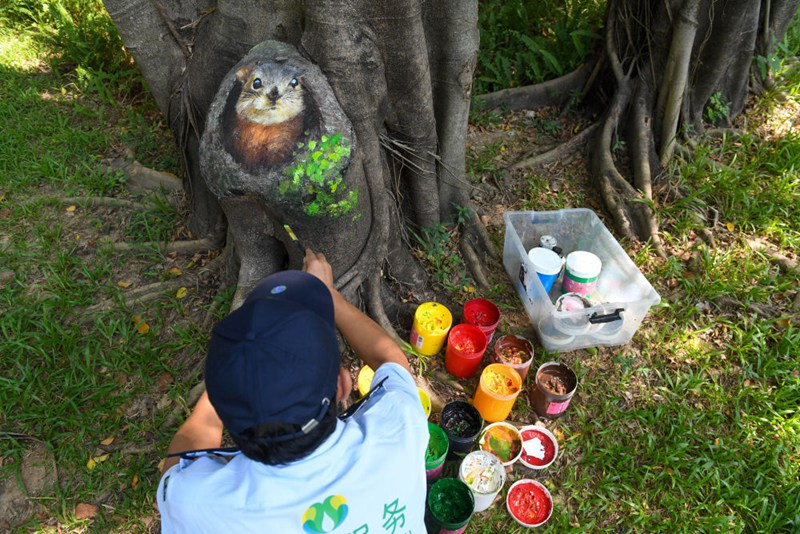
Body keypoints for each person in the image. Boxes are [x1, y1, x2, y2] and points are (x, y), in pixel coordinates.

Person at [156, 249, 428, 533]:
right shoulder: (400, 428)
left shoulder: (194, 506)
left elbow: (178, 465)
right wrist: (329, 295)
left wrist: (234, 378)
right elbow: (391, 362)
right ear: (343, 384)